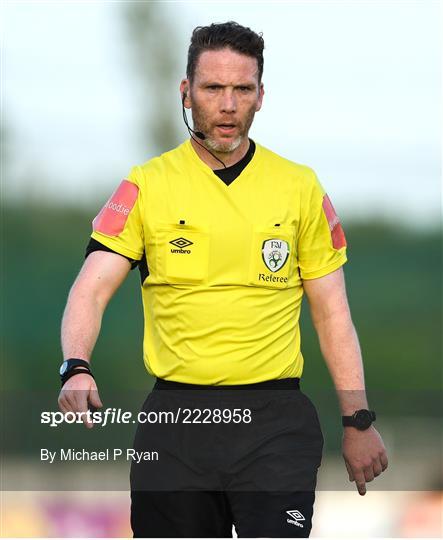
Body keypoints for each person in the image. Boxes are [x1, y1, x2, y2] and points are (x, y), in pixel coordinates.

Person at [57, 21, 388, 538]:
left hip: (275, 421)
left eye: (243, 89)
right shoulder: (147, 185)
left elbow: (332, 312)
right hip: (176, 422)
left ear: (262, 96)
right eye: (213, 88)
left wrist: (358, 420)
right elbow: (90, 289)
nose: (229, 104)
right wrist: (75, 366)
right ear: (186, 93)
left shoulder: (299, 187)